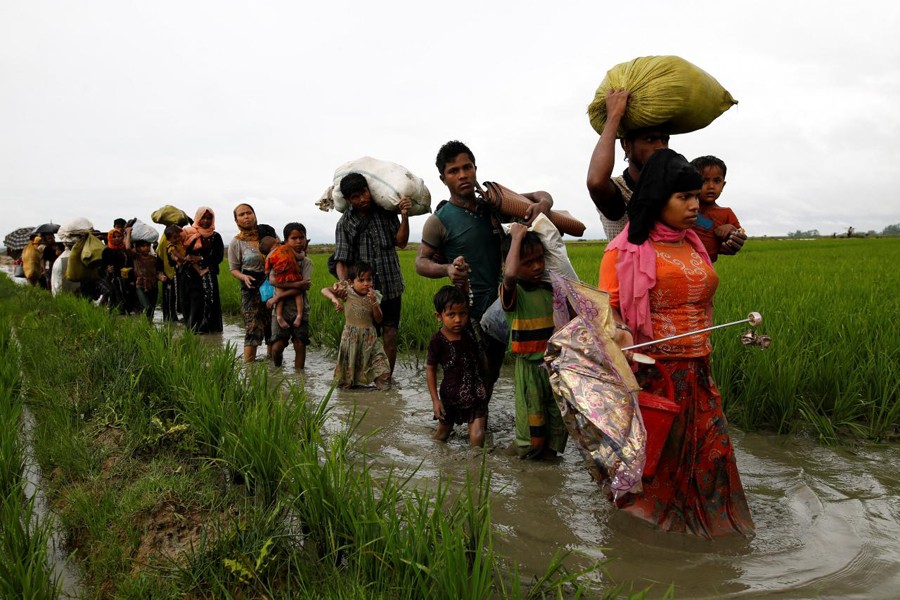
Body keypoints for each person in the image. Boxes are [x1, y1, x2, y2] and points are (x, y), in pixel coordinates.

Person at [599, 148, 754, 537]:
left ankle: (714, 533)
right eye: (683, 197)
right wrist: (618, 330)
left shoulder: (694, 244)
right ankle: (649, 540)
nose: (694, 204)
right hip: (657, 378)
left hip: (700, 370)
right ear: (657, 198)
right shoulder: (624, 251)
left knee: (713, 456)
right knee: (659, 468)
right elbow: (607, 311)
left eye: (696, 196)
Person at [415, 140, 553, 396]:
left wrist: (542, 206)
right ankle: (457, 427)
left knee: (491, 373)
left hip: (501, 306)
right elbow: (420, 263)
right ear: (443, 179)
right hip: (466, 310)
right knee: (464, 375)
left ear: (475, 169)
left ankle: (479, 429)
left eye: (467, 167)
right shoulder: (438, 221)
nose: (463, 175)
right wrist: (447, 269)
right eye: (453, 171)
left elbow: (542, 196)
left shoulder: (494, 205)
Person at [586, 90, 748, 255]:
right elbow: (596, 182)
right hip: (633, 277)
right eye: (650, 140)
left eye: (664, 140)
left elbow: (696, 230)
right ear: (626, 145)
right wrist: (614, 115)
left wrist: (726, 239)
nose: (660, 147)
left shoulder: (675, 188)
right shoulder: (620, 190)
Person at [332, 172, 410, 375]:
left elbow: (401, 242)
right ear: (348, 200)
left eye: (364, 193)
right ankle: (364, 378)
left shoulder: (385, 212)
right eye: (355, 197)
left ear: (369, 190)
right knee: (366, 336)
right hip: (363, 292)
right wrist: (343, 284)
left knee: (390, 334)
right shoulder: (345, 224)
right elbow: (342, 259)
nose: (362, 199)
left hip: (391, 285)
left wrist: (404, 216)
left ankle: (386, 381)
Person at [501, 223, 567, 460]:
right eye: (527, 263)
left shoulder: (551, 289)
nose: (537, 266)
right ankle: (520, 465)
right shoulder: (513, 292)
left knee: (556, 434)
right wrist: (516, 236)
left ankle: (547, 481)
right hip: (529, 370)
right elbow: (509, 274)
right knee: (533, 438)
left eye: (540, 259)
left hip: (555, 369)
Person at [426, 286, 489, 447]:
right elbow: (431, 369)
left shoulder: (469, 332)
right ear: (438, 316)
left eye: (462, 314)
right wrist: (435, 400)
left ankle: (476, 467)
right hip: (451, 396)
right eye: (451, 315)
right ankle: (434, 455)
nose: (458, 320)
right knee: (442, 434)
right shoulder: (438, 341)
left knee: (477, 437)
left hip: (476, 393)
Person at [320, 261, 391, 389]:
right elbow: (324, 290)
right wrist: (334, 299)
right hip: (351, 338)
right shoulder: (347, 291)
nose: (366, 283)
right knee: (347, 378)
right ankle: (349, 399)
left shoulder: (375, 295)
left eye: (369, 279)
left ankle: (384, 396)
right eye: (361, 280)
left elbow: (379, 319)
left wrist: (374, 302)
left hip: (370, 338)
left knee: (383, 371)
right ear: (351, 282)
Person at [227, 203, 271, 363]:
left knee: (271, 328)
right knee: (252, 328)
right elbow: (233, 269)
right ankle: (249, 369)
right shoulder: (236, 243)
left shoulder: (266, 236)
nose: (246, 216)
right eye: (241, 214)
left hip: (271, 286)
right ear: (237, 220)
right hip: (250, 288)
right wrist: (243, 277)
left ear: (254, 214)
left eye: (249, 212)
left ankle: (273, 368)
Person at [267, 223, 313, 369]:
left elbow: (303, 287)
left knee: (300, 344)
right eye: (294, 238)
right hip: (280, 310)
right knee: (277, 346)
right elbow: (273, 281)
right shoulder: (278, 258)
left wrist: (277, 297)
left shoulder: (306, 262)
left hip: (300, 309)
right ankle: (278, 370)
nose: (299, 241)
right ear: (286, 241)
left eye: (302, 237)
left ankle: (300, 379)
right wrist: (297, 285)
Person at [690, 155, 744, 262]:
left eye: (717, 181)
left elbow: (740, 233)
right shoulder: (684, 207)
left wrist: (731, 229)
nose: (711, 186)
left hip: (706, 267)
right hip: (679, 261)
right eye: (704, 180)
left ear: (723, 186)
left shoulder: (726, 213)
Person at [180, 207, 224, 333]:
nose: (205, 221)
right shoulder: (188, 234)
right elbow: (181, 250)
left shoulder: (216, 237)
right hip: (190, 276)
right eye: (203, 217)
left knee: (208, 301)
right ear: (197, 218)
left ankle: (208, 331)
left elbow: (218, 257)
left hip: (208, 275)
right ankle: (192, 331)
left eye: (209, 218)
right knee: (193, 302)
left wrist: (200, 258)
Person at [259, 236, 304, 330]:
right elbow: (299, 256)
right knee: (298, 294)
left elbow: (267, 271)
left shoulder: (269, 257)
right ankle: (299, 315)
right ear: (275, 243)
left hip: (280, 277)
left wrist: (268, 275)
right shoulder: (286, 247)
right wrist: (303, 253)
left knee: (279, 294)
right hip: (294, 275)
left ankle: (279, 316)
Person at [125, 226, 165, 321]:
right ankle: (144, 324)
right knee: (147, 307)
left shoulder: (154, 259)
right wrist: (128, 233)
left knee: (152, 309)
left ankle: (148, 327)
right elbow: (127, 247)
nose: (146, 248)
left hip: (153, 286)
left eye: (147, 245)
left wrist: (161, 277)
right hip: (141, 285)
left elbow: (157, 272)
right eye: (143, 246)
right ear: (138, 248)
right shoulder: (137, 257)